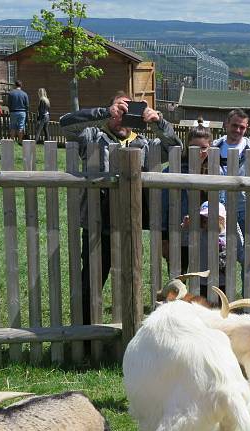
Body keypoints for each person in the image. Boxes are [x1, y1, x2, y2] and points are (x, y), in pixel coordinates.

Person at [59, 92, 182, 325]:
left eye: (129, 113)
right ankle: (86, 334)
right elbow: (66, 124)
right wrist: (104, 112)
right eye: (119, 112)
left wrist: (158, 122)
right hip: (97, 224)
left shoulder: (145, 143)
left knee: (132, 280)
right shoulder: (92, 136)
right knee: (92, 281)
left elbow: (176, 147)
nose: (122, 119)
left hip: (131, 225)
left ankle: (131, 330)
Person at [212, 109, 250, 278]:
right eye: (234, 125)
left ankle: (248, 299)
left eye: (242, 127)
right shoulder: (215, 147)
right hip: (219, 210)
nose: (238, 130)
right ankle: (223, 296)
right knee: (221, 253)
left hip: (244, 210)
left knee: (248, 258)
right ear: (226, 124)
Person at [160, 120, 213, 272]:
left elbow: (221, 206)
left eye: (203, 148)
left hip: (205, 237)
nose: (199, 152)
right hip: (179, 237)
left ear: (210, 148)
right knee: (178, 280)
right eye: (194, 148)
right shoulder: (172, 172)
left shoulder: (217, 172)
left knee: (202, 282)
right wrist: (165, 239)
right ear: (188, 147)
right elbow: (163, 209)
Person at [180, 201, 243, 295]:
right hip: (202, 282)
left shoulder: (230, 233)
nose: (207, 223)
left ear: (221, 219)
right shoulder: (199, 233)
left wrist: (249, 258)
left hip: (224, 281)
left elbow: (239, 252)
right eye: (204, 219)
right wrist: (185, 227)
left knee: (221, 307)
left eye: (211, 219)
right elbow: (184, 241)